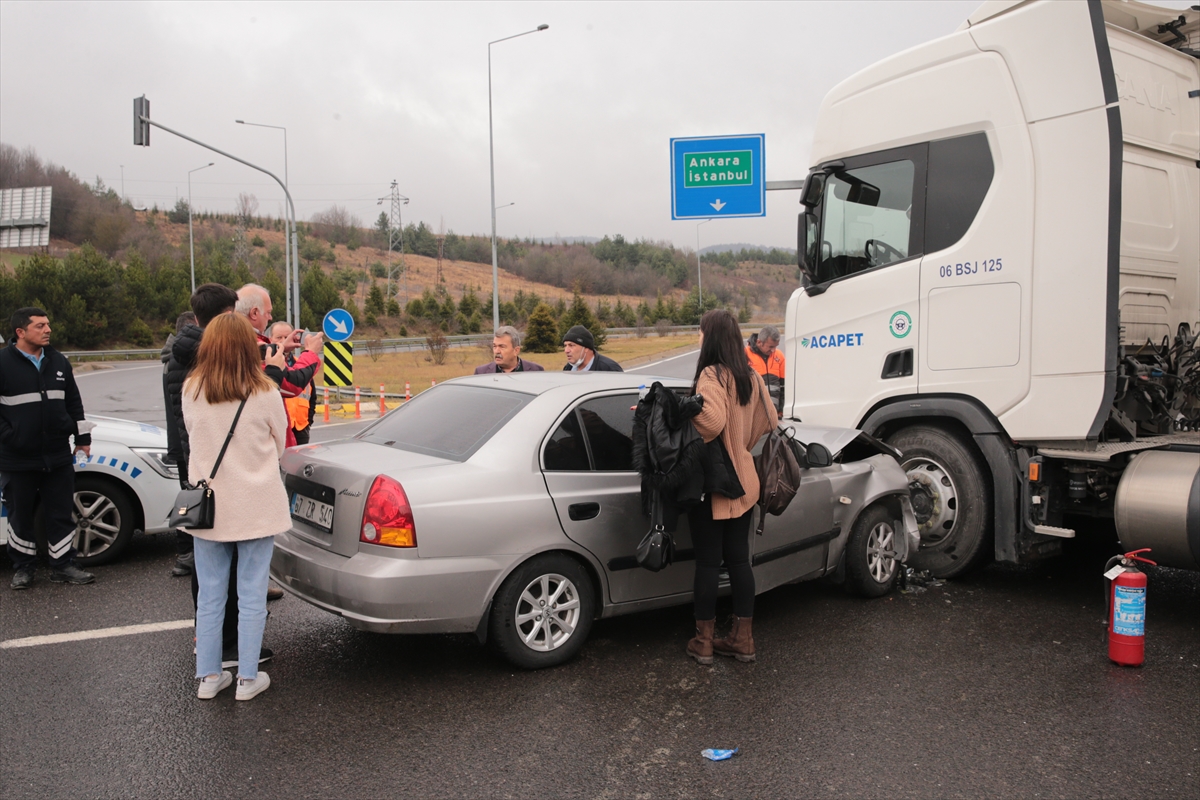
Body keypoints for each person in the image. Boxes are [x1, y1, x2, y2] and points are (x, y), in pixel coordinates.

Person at [182, 313, 292, 701]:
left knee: (211, 595)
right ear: (250, 347)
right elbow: (280, 443)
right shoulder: (264, 391)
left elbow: (193, 438)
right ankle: (247, 678)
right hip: (256, 504)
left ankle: (209, 677)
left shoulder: (192, 388)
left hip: (209, 507)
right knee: (251, 591)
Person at [686, 309, 777, 665]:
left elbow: (710, 423)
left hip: (715, 484)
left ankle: (703, 642)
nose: (698, 336)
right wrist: (741, 445)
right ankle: (743, 639)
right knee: (739, 560)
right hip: (745, 480)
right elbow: (769, 419)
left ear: (711, 337)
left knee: (708, 563)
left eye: (700, 331)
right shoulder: (749, 374)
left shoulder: (711, 374)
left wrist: (679, 412)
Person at [1, 307, 95, 589]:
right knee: (20, 515)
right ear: (21, 332)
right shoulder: (3, 363)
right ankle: (24, 568)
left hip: (56, 455)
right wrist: (10, 436)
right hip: (17, 458)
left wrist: (82, 439)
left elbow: (74, 403)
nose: (48, 329)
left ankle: (63, 565)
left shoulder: (58, 361)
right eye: (40, 326)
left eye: (48, 324)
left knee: (60, 512)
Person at [163, 311, 197, 577]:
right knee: (193, 499)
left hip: (180, 440)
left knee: (188, 496)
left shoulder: (171, 358)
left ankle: (186, 554)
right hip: (190, 441)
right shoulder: (182, 361)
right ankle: (187, 554)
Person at [268, 321, 320, 444]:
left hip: (301, 426)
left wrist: (308, 422)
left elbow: (312, 396)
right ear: (270, 339)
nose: (282, 341)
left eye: (286, 337)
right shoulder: (271, 366)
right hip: (282, 426)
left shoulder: (301, 364)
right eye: (279, 337)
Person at [745, 325, 785, 414]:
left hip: (774, 414)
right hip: (753, 413)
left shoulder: (779, 356)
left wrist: (781, 410)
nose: (773, 350)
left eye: (776, 346)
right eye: (771, 347)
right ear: (759, 342)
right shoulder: (745, 354)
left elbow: (783, 387)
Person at [474, 326, 545, 374]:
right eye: (494, 346)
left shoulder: (536, 371)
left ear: (516, 350)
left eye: (502, 346)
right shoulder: (481, 373)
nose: (497, 351)